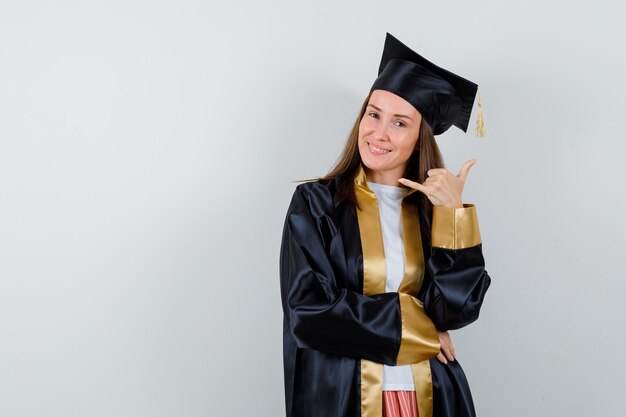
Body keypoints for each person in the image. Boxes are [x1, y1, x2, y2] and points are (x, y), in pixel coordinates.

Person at [279, 32, 492, 417]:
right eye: (373, 114)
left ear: (418, 139)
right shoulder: (316, 204)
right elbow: (308, 312)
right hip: (343, 397)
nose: (378, 132)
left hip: (429, 393)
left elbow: (455, 312)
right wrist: (420, 329)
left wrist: (452, 214)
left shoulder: (428, 212)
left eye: (399, 123)